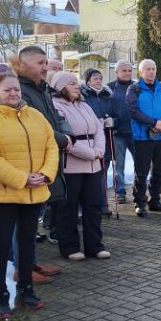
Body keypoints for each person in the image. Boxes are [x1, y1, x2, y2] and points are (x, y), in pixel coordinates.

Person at [0, 71, 59, 318]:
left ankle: (26, 290)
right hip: (3, 194)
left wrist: (45, 175)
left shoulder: (35, 115)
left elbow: (51, 146)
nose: (13, 94)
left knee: (26, 244)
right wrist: (22, 179)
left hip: (34, 192)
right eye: (7, 90)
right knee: (1, 245)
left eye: (16, 90)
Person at [12, 46, 70, 281]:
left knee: (32, 218)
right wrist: (63, 140)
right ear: (22, 65)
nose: (45, 68)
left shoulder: (41, 90)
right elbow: (35, 129)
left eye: (46, 63)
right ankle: (22, 269)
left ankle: (31, 264)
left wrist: (64, 135)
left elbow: (54, 119)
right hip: (30, 164)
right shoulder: (20, 92)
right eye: (40, 63)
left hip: (46, 160)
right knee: (23, 222)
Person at [51, 71, 111, 261]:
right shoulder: (55, 108)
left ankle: (95, 245)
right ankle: (69, 247)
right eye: (70, 84)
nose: (76, 86)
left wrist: (100, 149)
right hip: (72, 167)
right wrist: (91, 153)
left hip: (94, 165)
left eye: (76, 83)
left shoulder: (85, 105)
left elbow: (99, 129)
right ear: (60, 88)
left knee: (93, 206)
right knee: (68, 208)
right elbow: (66, 138)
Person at [125, 59, 161, 217]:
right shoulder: (134, 89)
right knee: (142, 172)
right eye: (147, 69)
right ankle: (139, 203)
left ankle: (155, 200)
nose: (151, 71)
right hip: (142, 137)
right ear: (141, 72)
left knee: (159, 170)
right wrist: (153, 123)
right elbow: (133, 111)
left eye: (153, 68)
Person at [81, 68, 116, 216]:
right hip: (89, 141)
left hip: (106, 140)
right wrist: (96, 123)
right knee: (91, 176)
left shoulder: (108, 95)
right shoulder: (83, 95)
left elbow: (116, 114)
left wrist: (112, 121)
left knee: (102, 173)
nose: (98, 81)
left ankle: (103, 204)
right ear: (88, 80)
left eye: (100, 78)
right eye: (95, 78)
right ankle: (89, 206)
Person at [107, 60, 136, 204]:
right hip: (118, 133)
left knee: (140, 164)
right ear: (117, 72)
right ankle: (120, 192)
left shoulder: (137, 87)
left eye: (130, 71)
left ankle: (139, 190)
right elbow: (105, 107)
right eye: (124, 71)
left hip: (136, 132)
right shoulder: (110, 88)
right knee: (119, 165)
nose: (127, 73)